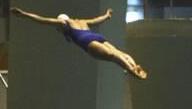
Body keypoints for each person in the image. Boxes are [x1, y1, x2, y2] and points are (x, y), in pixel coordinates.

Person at [10, 6, 147, 79]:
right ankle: (134, 65)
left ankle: (131, 71)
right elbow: (97, 20)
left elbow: (43, 20)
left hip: (86, 41)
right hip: (95, 35)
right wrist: (107, 15)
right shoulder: (81, 21)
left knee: (112, 56)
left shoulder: (64, 23)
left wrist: (24, 15)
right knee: (118, 52)